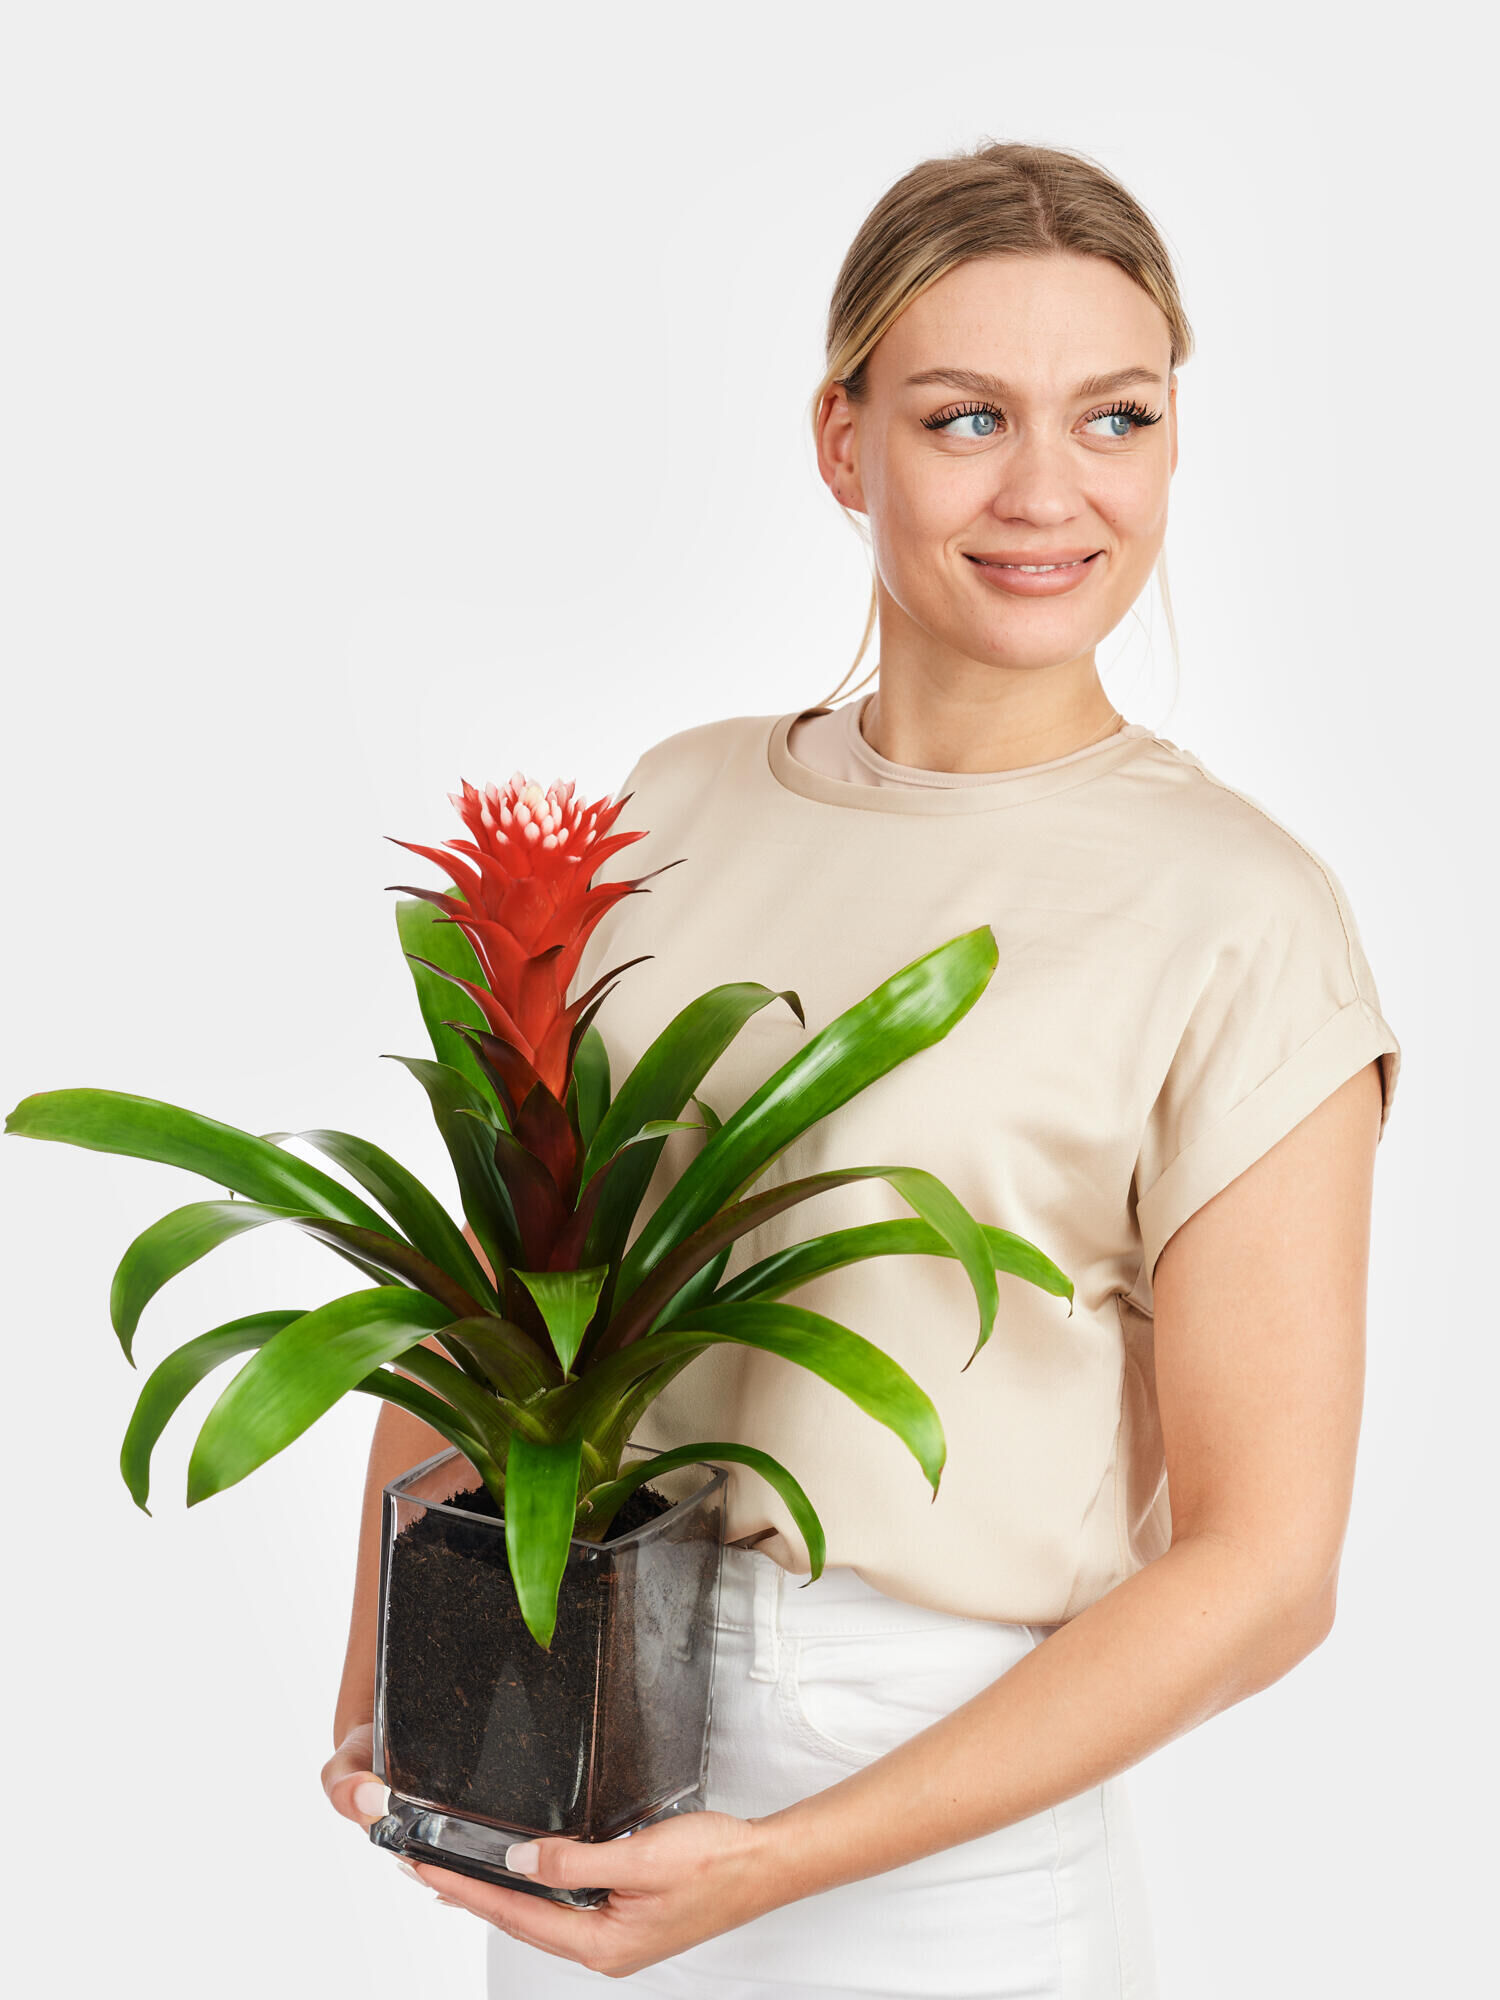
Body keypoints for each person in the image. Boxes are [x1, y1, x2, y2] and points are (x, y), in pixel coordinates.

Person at [322, 139, 1401, 1998]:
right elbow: (495, 1307)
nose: (1051, 492)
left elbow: (1263, 1572)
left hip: (943, 1847)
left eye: (1117, 418)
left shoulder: (1241, 912)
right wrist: (388, 1706)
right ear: (844, 443)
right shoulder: (678, 801)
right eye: (967, 416)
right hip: (584, 1764)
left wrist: (789, 1862)